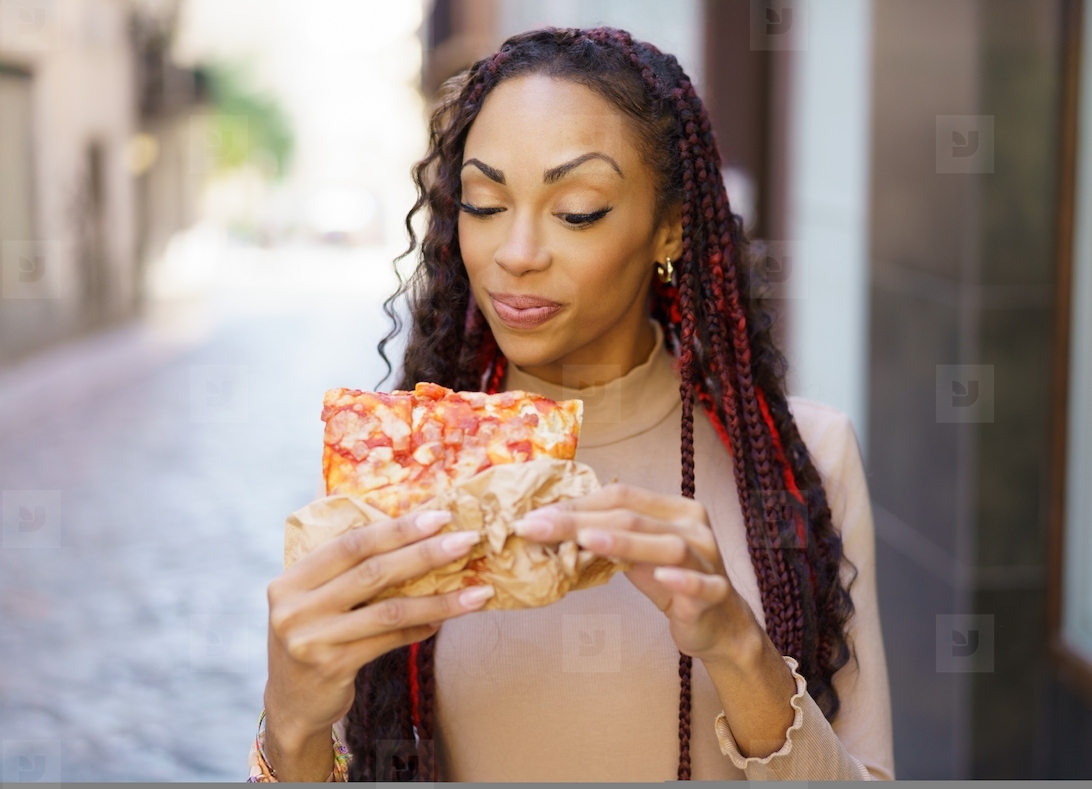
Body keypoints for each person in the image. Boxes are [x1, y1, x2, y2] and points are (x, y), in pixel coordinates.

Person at [250, 26, 893, 782]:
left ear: (670, 227)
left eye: (577, 210)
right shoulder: (405, 466)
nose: (516, 252)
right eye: (484, 204)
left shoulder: (806, 459)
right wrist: (293, 726)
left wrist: (737, 647)